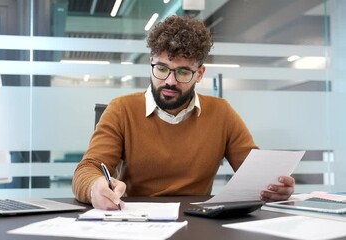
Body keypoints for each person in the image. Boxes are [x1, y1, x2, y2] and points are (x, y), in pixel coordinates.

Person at [72, 15, 295, 210]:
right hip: (137, 221)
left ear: (200, 74)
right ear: (151, 62)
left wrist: (274, 187)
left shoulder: (221, 113)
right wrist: (95, 187)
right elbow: (87, 169)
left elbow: (256, 176)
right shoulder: (121, 109)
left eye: (183, 72)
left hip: (199, 222)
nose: (170, 81)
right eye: (161, 68)